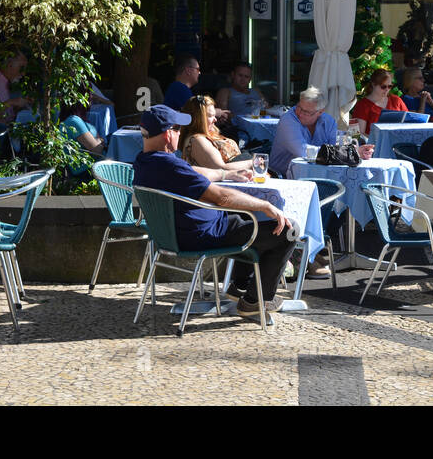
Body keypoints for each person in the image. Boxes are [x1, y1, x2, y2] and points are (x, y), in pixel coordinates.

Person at [132, 105, 291, 319]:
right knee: (287, 231)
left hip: (175, 236)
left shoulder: (144, 161)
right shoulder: (170, 166)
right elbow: (222, 198)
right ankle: (255, 301)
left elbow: (192, 172)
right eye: (178, 129)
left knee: (248, 217)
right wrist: (265, 205)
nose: (181, 133)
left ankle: (239, 288)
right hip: (205, 236)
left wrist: (225, 175)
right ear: (169, 134)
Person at [271, 87, 338, 178]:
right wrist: (334, 152)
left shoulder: (329, 122)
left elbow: (334, 152)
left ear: (320, 112)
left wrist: (336, 153)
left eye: (306, 112)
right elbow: (302, 151)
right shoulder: (287, 120)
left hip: (319, 175)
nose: (300, 113)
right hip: (283, 177)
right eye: (299, 107)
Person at [180, 95, 252, 177]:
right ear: (198, 119)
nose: (215, 119)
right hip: (227, 182)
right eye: (210, 116)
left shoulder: (209, 134)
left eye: (214, 115)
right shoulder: (197, 140)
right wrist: (253, 162)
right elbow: (220, 169)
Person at [349, 69, 407, 136]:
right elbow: (359, 134)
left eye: (390, 86)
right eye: (383, 86)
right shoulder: (363, 105)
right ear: (373, 84)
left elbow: (408, 121)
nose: (387, 89)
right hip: (374, 145)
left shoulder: (396, 100)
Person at [0, 52, 30, 130]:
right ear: (10, 64)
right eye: (21, 68)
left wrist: (18, 107)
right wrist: (12, 102)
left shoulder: (5, 81)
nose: (23, 73)